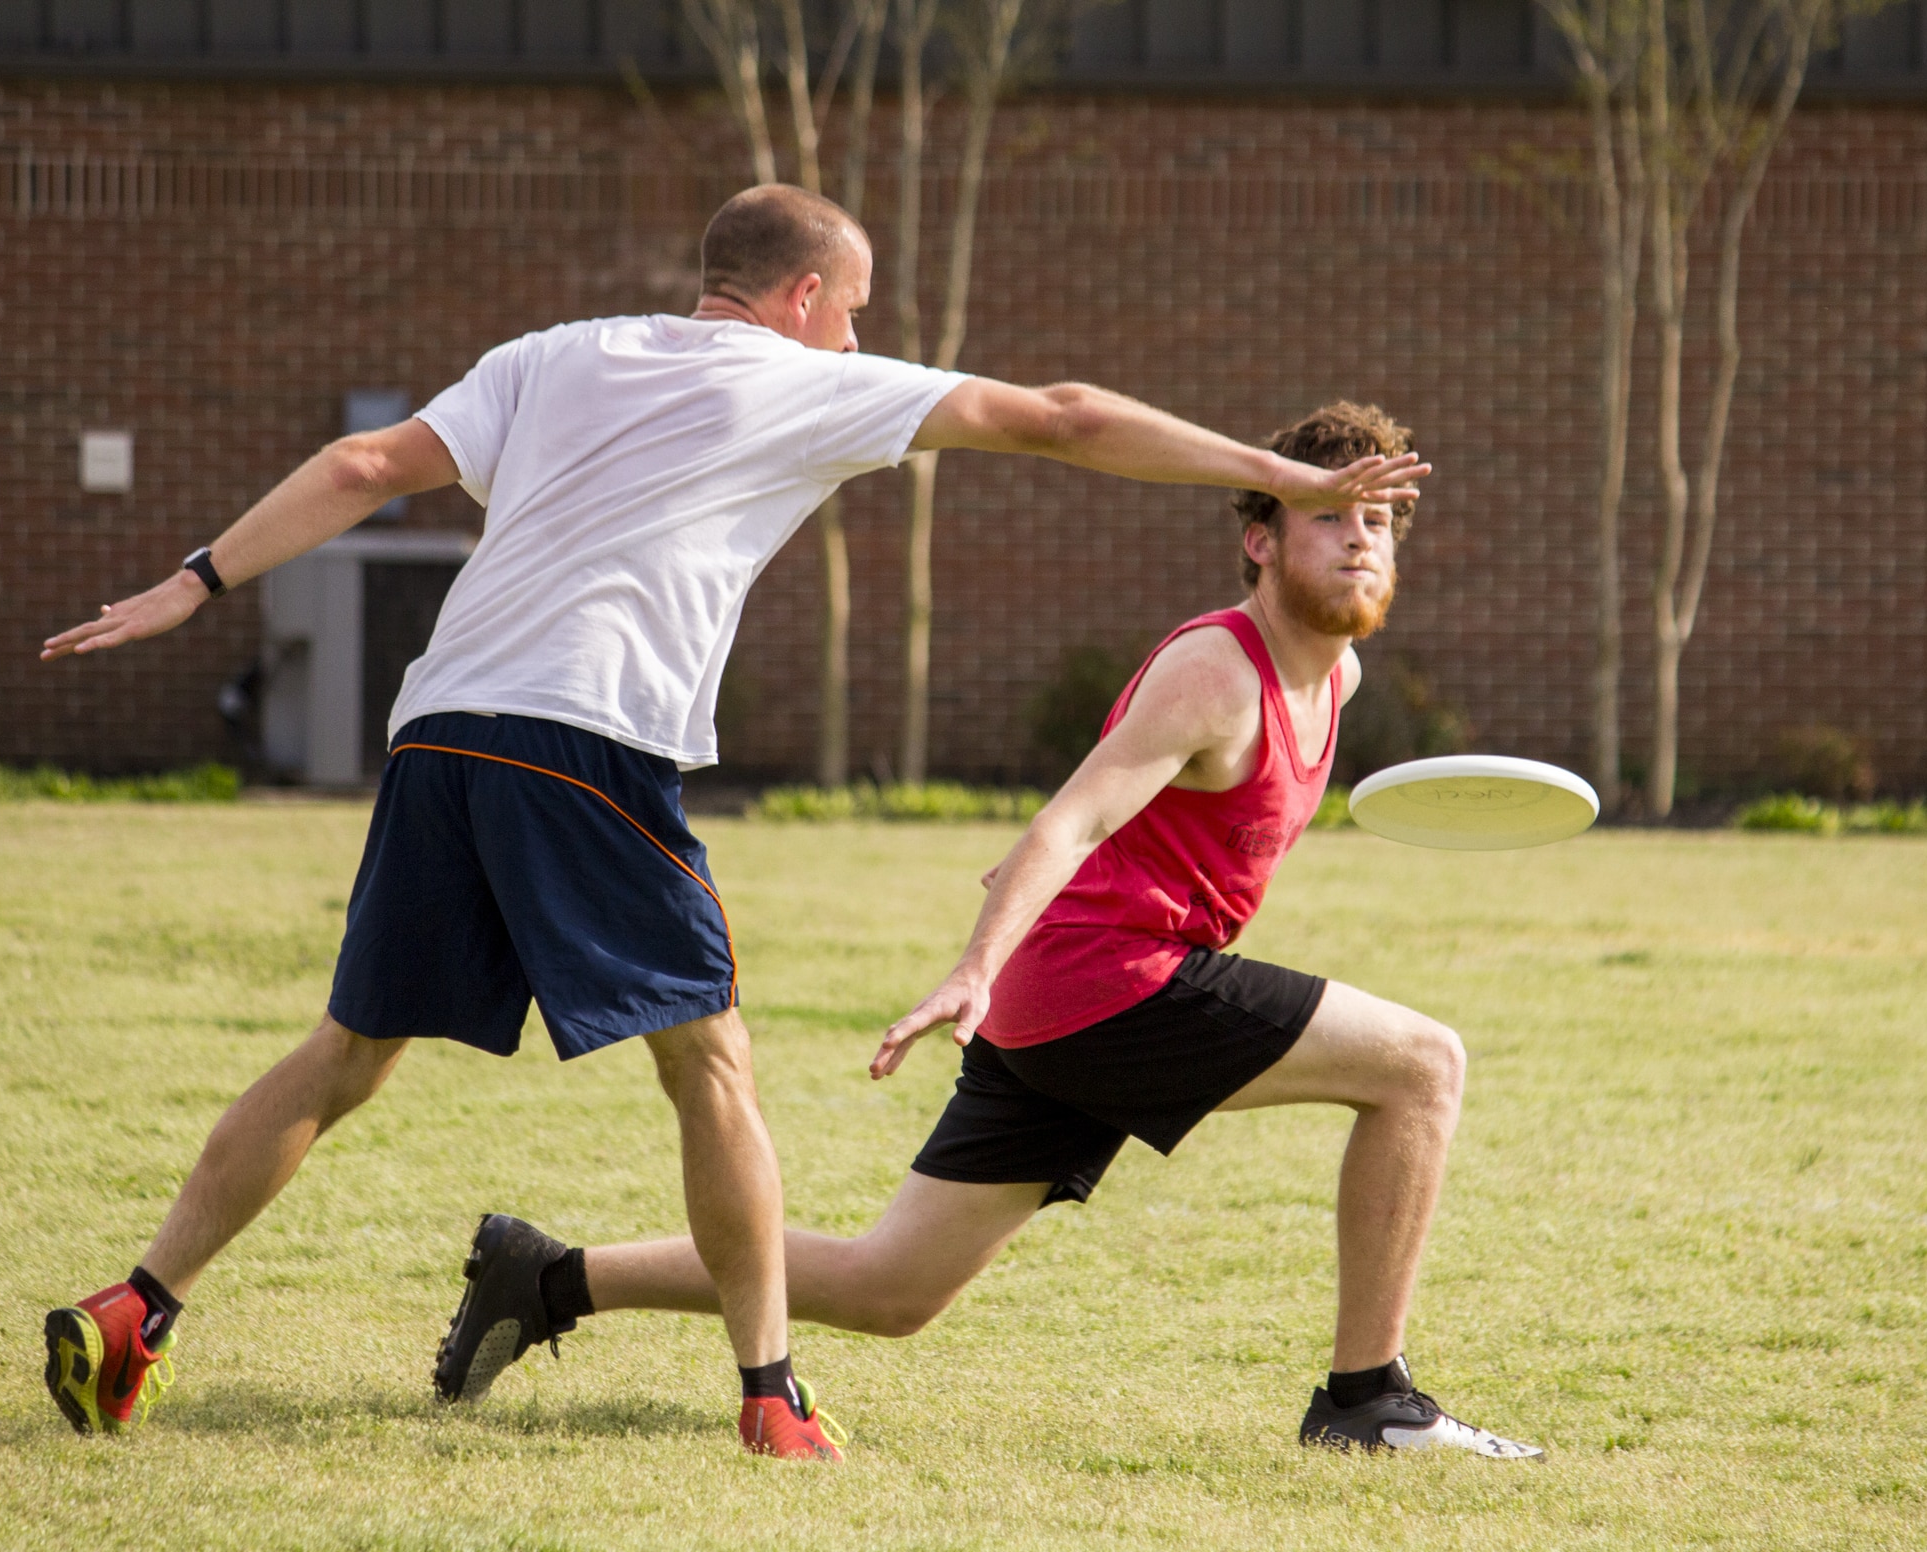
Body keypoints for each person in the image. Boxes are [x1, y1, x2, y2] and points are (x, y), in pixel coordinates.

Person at [33, 187, 1428, 1460]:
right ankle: (772, 1392)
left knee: (349, 1052)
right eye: (857, 308)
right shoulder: (795, 381)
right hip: (587, 739)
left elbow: (357, 465)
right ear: (805, 297)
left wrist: (194, 581)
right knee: (712, 1060)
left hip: (441, 727)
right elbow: (1055, 413)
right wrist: (1283, 471)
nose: (861, 335)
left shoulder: (549, 353)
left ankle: (138, 1304)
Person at [451, 402, 1539, 1459]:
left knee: (891, 1287)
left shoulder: (1336, 672)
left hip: (1076, 994)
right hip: (1109, 987)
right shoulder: (1216, 671)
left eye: (1378, 520)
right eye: (1330, 515)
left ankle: (543, 1276)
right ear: (1259, 540)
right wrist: (974, 965)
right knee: (1422, 1065)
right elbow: (1073, 814)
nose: (1359, 540)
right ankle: (1367, 1399)